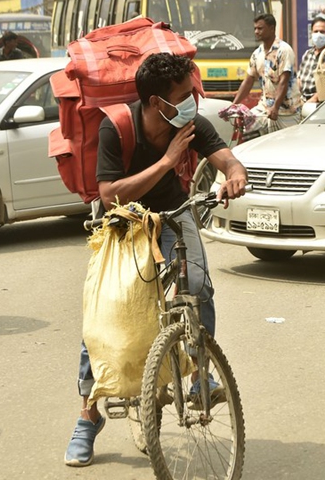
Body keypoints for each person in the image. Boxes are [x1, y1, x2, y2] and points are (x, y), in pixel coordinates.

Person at [64, 53, 248, 467]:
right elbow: (110, 194)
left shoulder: (189, 125)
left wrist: (235, 173)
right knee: (105, 314)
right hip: (125, 221)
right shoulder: (119, 126)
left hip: (173, 215)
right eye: (183, 96)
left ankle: (201, 374)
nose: (192, 103)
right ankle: (87, 416)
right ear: (154, 103)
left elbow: (226, 158)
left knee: (197, 285)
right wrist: (166, 162)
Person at [232, 13, 302, 133]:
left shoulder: (284, 50)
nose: (256, 31)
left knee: (288, 146)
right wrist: (233, 105)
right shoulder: (257, 54)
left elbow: (284, 82)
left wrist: (275, 107)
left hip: (287, 111)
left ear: (272, 29)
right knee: (243, 127)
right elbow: (248, 81)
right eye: (255, 28)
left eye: (260, 28)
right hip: (265, 108)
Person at [297, 16, 325, 103]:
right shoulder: (307, 54)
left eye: (322, 32)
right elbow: (299, 79)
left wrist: (313, 99)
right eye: (316, 31)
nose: (318, 34)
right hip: (302, 100)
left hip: (321, 102)